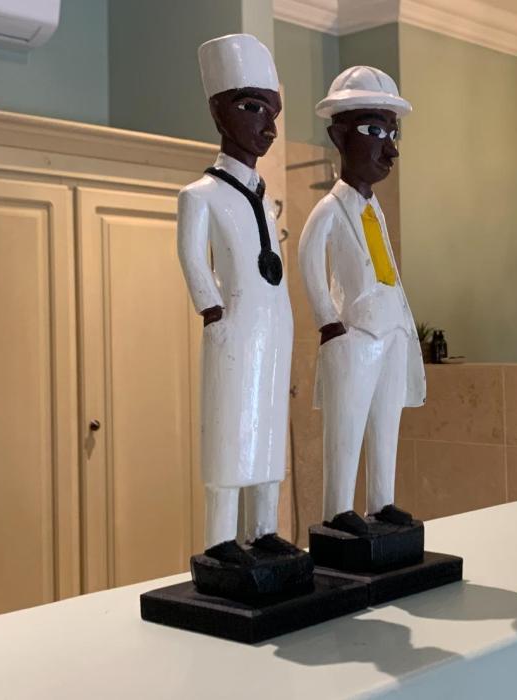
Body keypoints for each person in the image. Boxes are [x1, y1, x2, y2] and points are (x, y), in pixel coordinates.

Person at [177, 34, 296, 563]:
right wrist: (212, 308)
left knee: (268, 423)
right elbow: (191, 255)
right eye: (253, 108)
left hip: (273, 322)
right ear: (218, 112)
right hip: (234, 324)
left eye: (273, 113)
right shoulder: (200, 195)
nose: (267, 126)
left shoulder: (265, 200)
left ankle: (264, 528)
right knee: (228, 427)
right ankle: (222, 538)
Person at [298, 66, 426, 535]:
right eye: (375, 132)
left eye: (393, 134)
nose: (390, 149)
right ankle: (338, 508)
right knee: (346, 424)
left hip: (391, 330)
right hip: (354, 333)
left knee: (386, 421)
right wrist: (327, 320)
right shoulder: (330, 208)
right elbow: (308, 257)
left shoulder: (375, 210)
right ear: (339, 136)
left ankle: (381, 500)